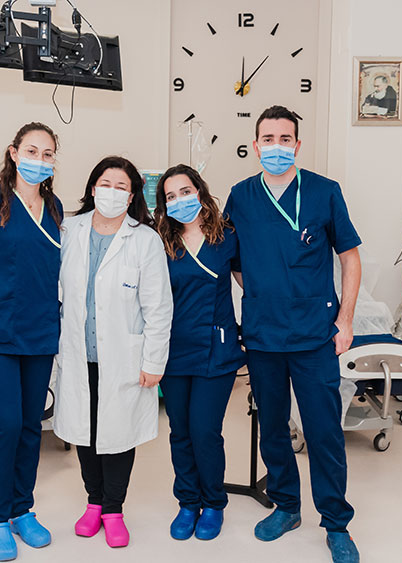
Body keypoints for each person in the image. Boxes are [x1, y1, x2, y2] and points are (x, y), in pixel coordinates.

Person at [223, 105, 363, 563]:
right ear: (256, 143)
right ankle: (286, 506)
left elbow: (350, 258)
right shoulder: (241, 197)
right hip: (263, 336)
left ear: (298, 145)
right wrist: (265, 293)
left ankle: (336, 523)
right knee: (272, 431)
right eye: (269, 138)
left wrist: (344, 320)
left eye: (286, 139)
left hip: (314, 335)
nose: (277, 147)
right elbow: (234, 262)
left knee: (323, 432)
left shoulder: (324, 192)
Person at [53, 156, 173, 549]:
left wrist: (154, 361)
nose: (113, 192)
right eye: (106, 183)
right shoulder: (68, 229)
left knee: (118, 434)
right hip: (77, 352)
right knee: (85, 431)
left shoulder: (145, 239)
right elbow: (37, 274)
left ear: (133, 194)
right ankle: (93, 502)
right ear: (92, 188)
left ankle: (114, 509)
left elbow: (158, 308)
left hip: (124, 357)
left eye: (122, 187)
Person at [0, 122, 63, 562]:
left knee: (30, 427)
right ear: (14, 152)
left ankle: (23, 509)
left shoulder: (55, 207)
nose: (40, 159)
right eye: (32, 150)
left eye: (48, 153)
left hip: (40, 334)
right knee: (4, 426)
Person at [152, 164, 245, 542]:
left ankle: (214, 503)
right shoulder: (160, 241)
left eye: (185, 192)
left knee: (205, 431)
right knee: (180, 431)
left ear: (201, 193)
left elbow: (253, 284)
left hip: (216, 351)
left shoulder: (228, 238)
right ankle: (188, 502)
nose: (179, 201)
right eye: (170, 196)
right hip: (173, 351)